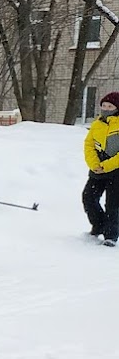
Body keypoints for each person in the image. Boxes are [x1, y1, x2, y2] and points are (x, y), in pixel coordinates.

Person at [83, 90, 119, 246]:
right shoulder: (96, 124)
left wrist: (107, 166)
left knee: (113, 204)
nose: (105, 108)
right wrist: (95, 164)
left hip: (115, 170)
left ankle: (111, 235)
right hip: (97, 169)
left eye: (109, 106)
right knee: (89, 197)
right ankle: (98, 225)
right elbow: (89, 145)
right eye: (103, 105)